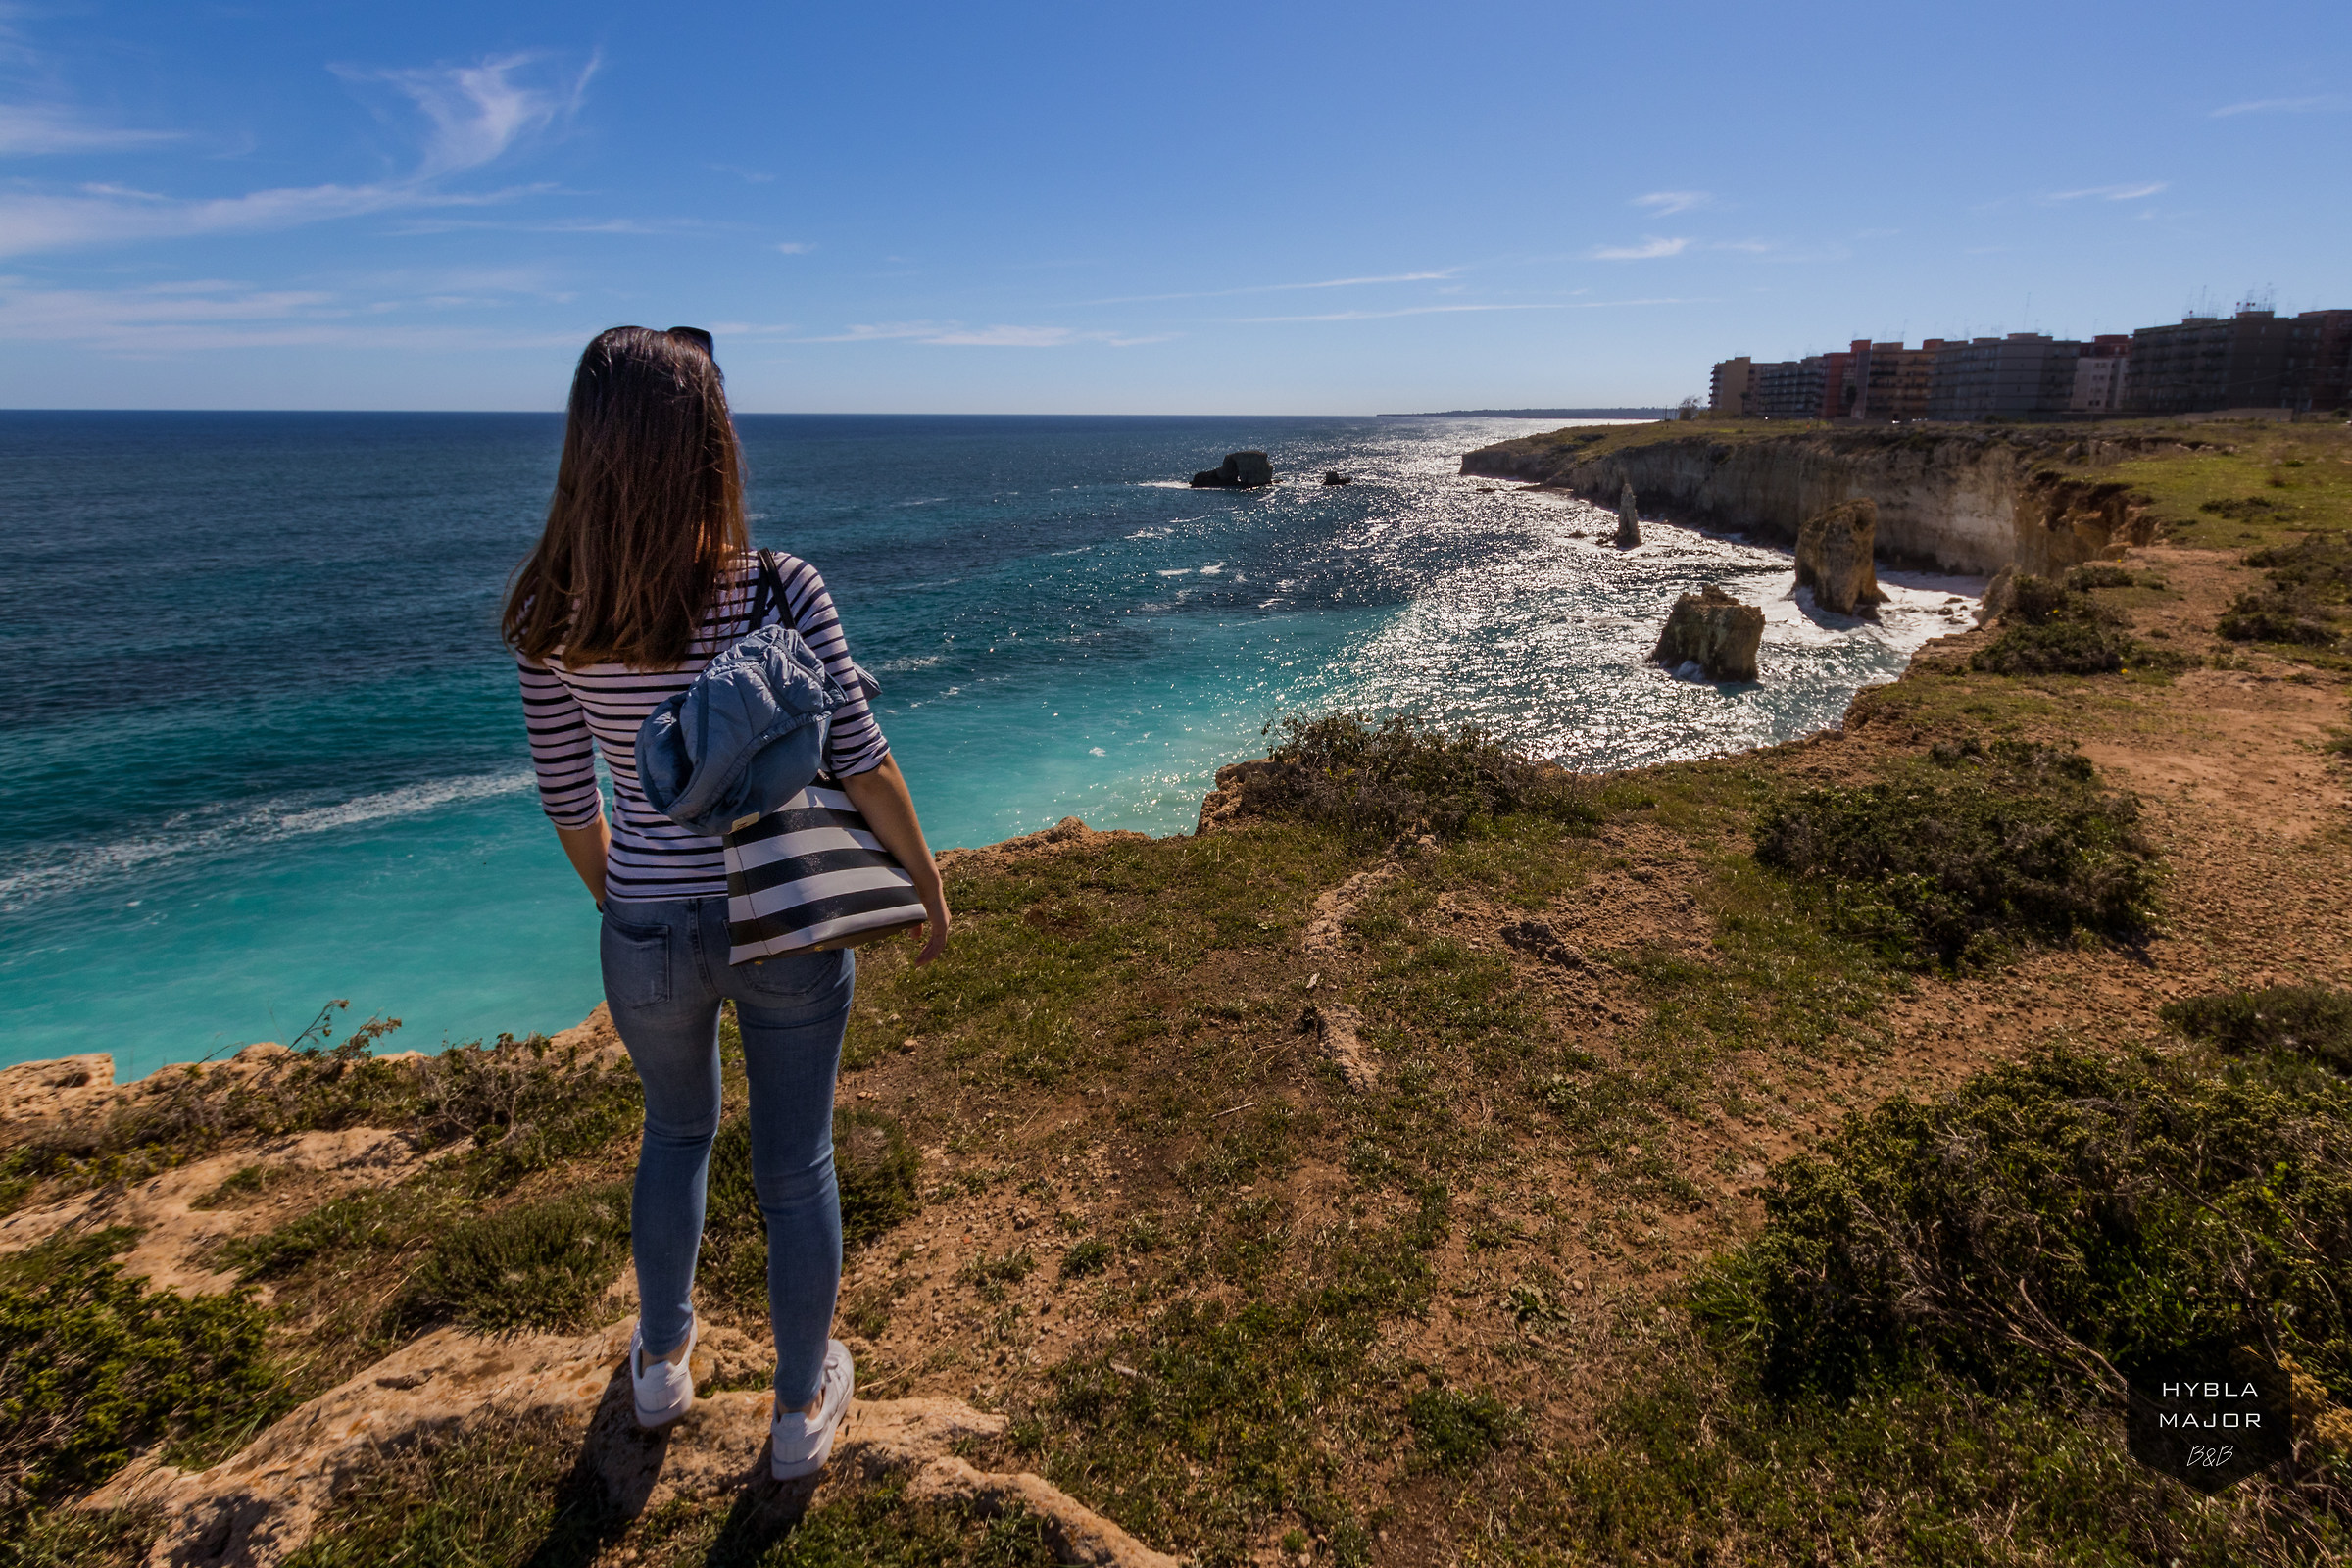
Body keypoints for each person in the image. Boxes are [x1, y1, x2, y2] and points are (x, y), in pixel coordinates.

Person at [502, 325, 950, 1478]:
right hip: (784, 918)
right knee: (795, 1163)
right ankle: (798, 1414)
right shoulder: (778, 587)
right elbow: (863, 760)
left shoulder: (554, 612)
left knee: (674, 1131)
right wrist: (928, 882)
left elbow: (570, 802)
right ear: (711, 442)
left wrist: (632, 902)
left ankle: (661, 1365)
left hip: (646, 927)